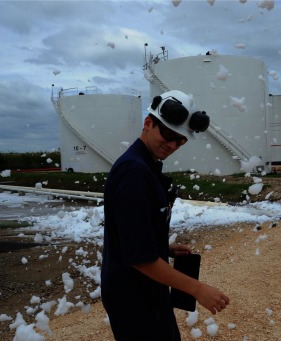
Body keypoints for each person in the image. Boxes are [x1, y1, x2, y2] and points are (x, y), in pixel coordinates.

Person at [101, 90, 230, 340]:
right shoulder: (134, 172)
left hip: (146, 286)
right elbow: (139, 258)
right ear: (148, 123)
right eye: (168, 135)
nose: (172, 145)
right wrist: (197, 289)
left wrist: (163, 248)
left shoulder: (148, 165)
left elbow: (129, 232)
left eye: (180, 140)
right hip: (133, 293)